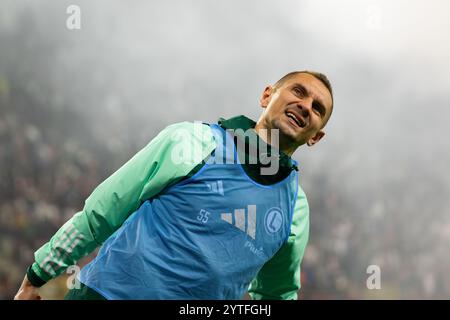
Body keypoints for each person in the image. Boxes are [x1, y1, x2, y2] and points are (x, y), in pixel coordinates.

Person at [14, 70, 333, 300]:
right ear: (267, 95)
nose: (306, 105)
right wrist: (38, 275)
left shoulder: (295, 209)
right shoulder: (193, 141)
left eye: (317, 108)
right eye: (298, 91)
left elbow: (276, 293)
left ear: (316, 137)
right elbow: (104, 209)